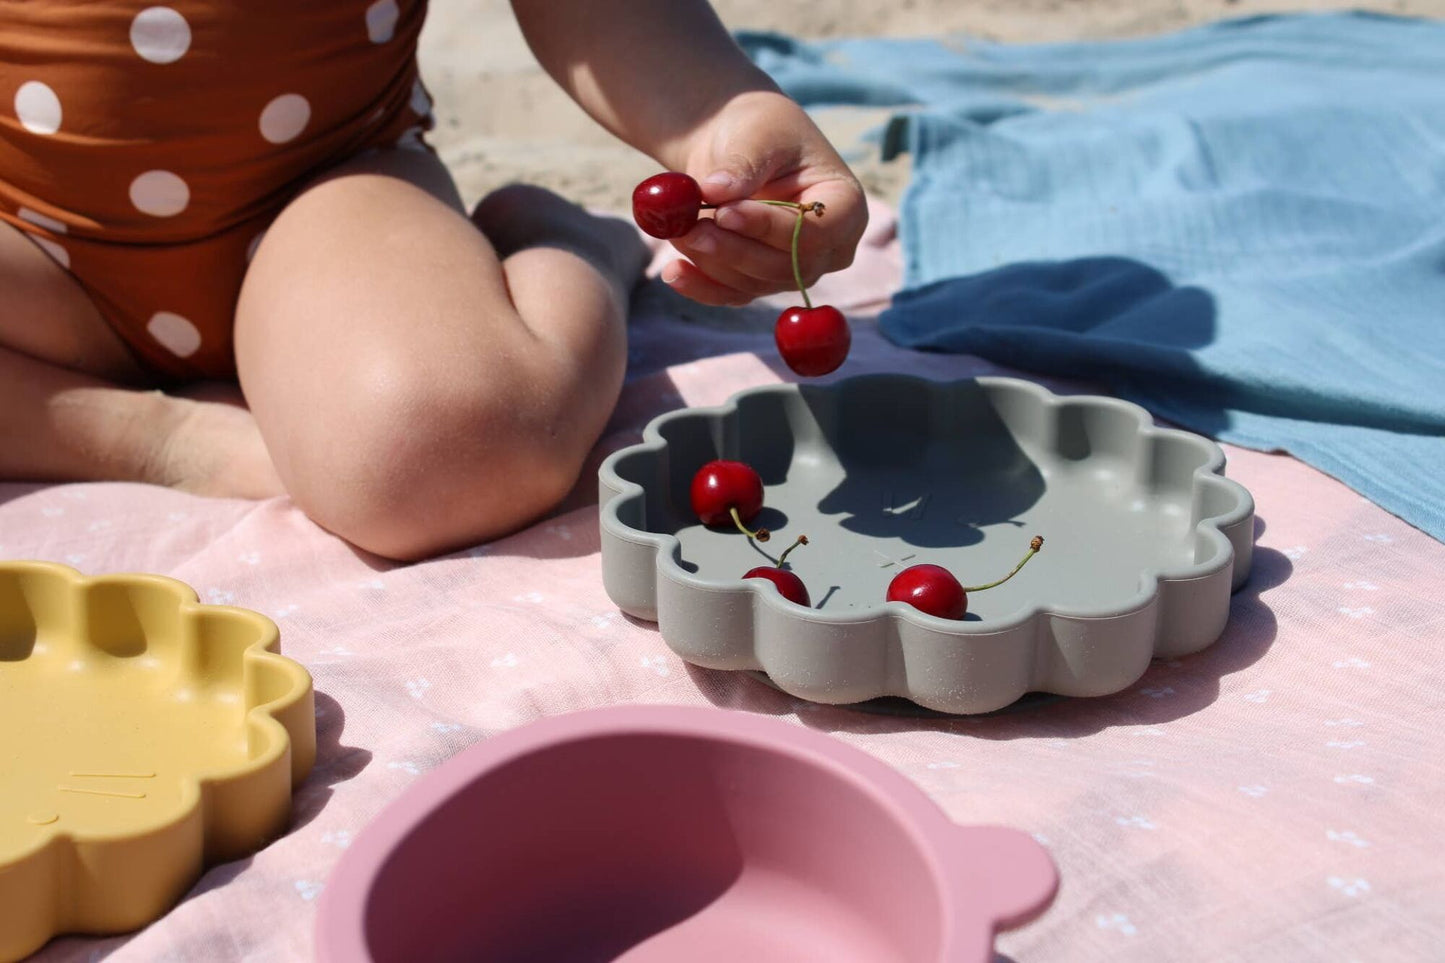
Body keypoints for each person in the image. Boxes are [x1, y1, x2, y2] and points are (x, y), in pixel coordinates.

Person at [0, 1, 865, 560]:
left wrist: (720, 114)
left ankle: (569, 247)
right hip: (26, 239)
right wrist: (154, 442)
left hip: (324, 197)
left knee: (448, 449)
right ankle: (139, 434)